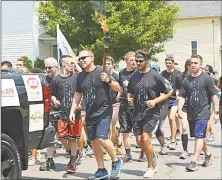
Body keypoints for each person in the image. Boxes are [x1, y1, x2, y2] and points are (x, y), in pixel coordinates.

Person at [69, 50, 123, 179]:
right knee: (94, 142)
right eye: (79, 59)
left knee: (102, 138)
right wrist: (72, 110)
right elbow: (77, 95)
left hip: (104, 110)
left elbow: (118, 87)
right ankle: (101, 170)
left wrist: (108, 80)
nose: (81, 61)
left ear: (92, 58)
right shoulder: (80, 76)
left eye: (84, 58)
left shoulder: (101, 71)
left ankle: (116, 161)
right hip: (90, 113)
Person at [127, 50, 171, 178]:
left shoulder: (155, 75)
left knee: (146, 138)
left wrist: (155, 101)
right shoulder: (134, 76)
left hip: (152, 111)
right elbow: (130, 91)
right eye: (137, 61)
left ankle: (150, 167)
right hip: (137, 111)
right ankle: (152, 154)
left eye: (141, 61)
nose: (138, 63)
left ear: (147, 60)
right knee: (140, 141)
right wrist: (130, 99)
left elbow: (168, 92)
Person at [178, 55, 219, 171]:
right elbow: (182, 96)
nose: (193, 65)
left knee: (199, 136)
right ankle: (208, 156)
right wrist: (180, 109)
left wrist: (216, 112)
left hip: (203, 111)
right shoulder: (186, 80)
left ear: (201, 64)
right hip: (191, 112)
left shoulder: (207, 79)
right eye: (191, 63)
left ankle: (194, 161)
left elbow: (214, 96)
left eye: (196, 63)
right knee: (198, 136)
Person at [49, 55, 82, 173]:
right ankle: (75, 152)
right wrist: (54, 100)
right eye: (71, 64)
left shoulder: (77, 77)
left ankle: (72, 162)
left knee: (73, 138)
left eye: (73, 64)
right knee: (62, 137)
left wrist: (80, 104)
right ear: (63, 64)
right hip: (61, 112)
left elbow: (82, 92)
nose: (73, 66)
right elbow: (52, 93)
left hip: (75, 113)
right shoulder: (56, 79)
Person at [40, 57, 58, 171]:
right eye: (46, 67)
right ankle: (50, 160)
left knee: (66, 138)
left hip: (62, 111)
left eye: (50, 67)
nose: (47, 69)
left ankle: (75, 153)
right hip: (49, 112)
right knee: (50, 135)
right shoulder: (44, 79)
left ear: (56, 67)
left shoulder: (62, 78)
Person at [117, 51, 137, 162]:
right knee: (125, 130)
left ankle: (143, 153)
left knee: (139, 131)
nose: (134, 61)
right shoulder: (122, 73)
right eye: (131, 60)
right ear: (126, 61)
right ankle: (128, 154)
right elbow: (121, 87)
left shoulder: (138, 72)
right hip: (124, 104)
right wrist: (119, 95)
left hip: (136, 105)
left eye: (135, 59)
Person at [103, 56, 122, 161]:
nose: (107, 66)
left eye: (109, 64)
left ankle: (110, 151)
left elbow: (120, 87)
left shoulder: (116, 76)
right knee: (108, 128)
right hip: (105, 105)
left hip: (115, 104)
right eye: (105, 64)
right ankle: (118, 144)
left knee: (111, 127)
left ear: (113, 65)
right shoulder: (102, 75)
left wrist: (119, 93)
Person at [161, 57, 181, 150]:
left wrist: (178, 94)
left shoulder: (178, 73)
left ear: (173, 63)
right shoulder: (163, 74)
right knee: (170, 119)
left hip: (174, 98)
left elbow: (180, 86)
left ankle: (173, 140)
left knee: (172, 117)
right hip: (166, 99)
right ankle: (174, 133)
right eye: (167, 63)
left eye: (170, 63)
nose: (168, 64)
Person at [175, 59, 192, 159]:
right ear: (186, 66)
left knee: (198, 130)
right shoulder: (180, 77)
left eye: (194, 64)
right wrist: (178, 96)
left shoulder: (198, 77)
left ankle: (202, 147)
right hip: (184, 105)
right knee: (184, 127)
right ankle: (185, 150)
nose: (191, 66)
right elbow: (177, 89)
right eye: (189, 65)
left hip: (196, 106)